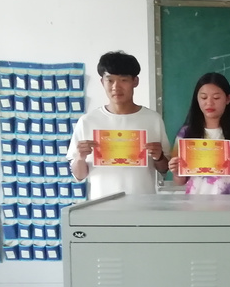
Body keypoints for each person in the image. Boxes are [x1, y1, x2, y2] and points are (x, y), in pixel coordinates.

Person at [68, 51, 170, 200]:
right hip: (102, 205)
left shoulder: (152, 119)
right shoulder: (88, 121)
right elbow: (79, 176)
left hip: (143, 204)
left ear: (135, 81)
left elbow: (164, 169)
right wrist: (80, 157)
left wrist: (159, 157)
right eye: (110, 80)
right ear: (102, 82)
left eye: (123, 80)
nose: (116, 87)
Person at [167, 72, 230, 194]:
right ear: (197, 99)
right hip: (196, 201)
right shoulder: (186, 133)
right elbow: (179, 181)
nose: (209, 103)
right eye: (203, 97)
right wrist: (176, 172)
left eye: (216, 98)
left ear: (228, 99)